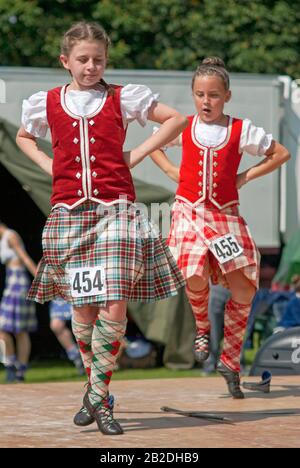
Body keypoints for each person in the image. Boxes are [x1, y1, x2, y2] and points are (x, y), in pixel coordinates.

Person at [16, 21, 187, 435]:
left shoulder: (123, 97)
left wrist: (137, 154)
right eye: (83, 59)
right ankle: (101, 396)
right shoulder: (47, 102)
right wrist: (47, 164)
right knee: (82, 306)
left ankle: (95, 397)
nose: (91, 66)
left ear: (106, 60)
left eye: (99, 59)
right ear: (66, 62)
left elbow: (175, 120)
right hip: (70, 214)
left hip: (116, 212)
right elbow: (24, 137)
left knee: (114, 301)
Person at [150, 57, 290, 398]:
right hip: (189, 211)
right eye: (199, 94)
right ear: (193, 96)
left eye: (213, 95)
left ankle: (229, 360)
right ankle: (202, 328)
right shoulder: (183, 125)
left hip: (225, 214)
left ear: (226, 95)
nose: (206, 101)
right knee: (194, 271)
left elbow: (280, 153)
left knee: (243, 288)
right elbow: (154, 143)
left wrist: (244, 176)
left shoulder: (241, 130)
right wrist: (172, 173)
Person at [0, 221, 37, 382]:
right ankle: (12, 365)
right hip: (11, 282)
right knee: (5, 329)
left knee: (20, 330)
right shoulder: (3, 239)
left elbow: (24, 258)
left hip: (18, 282)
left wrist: (39, 279)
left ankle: (19, 370)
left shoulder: (11, 235)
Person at [49, 298, 84, 375]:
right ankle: (77, 357)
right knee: (56, 325)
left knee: (86, 322)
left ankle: (96, 358)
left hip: (79, 290)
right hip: (61, 292)